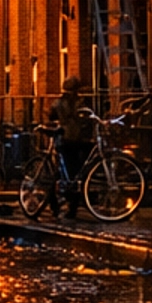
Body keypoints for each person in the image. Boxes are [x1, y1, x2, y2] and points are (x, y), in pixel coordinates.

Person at [49, 75, 91, 219]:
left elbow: (51, 116)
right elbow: (87, 117)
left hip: (65, 139)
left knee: (62, 173)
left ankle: (57, 204)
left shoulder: (58, 103)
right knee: (75, 173)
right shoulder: (81, 102)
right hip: (78, 139)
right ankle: (72, 207)